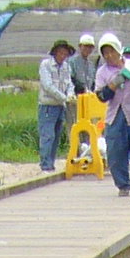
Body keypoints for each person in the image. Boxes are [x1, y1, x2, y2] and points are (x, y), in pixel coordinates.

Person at [94, 36, 130, 198]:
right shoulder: (102, 73)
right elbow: (101, 96)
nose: (109, 56)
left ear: (118, 50)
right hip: (115, 114)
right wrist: (113, 84)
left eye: (111, 51)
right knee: (115, 151)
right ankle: (123, 184)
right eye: (105, 53)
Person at [36, 38, 78, 173]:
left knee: (56, 135)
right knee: (47, 135)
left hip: (61, 106)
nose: (63, 55)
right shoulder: (45, 65)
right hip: (48, 105)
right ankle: (45, 165)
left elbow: (69, 83)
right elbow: (47, 86)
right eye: (60, 52)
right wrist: (64, 97)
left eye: (65, 53)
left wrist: (71, 94)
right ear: (55, 52)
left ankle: (51, 164)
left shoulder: (66, 66)